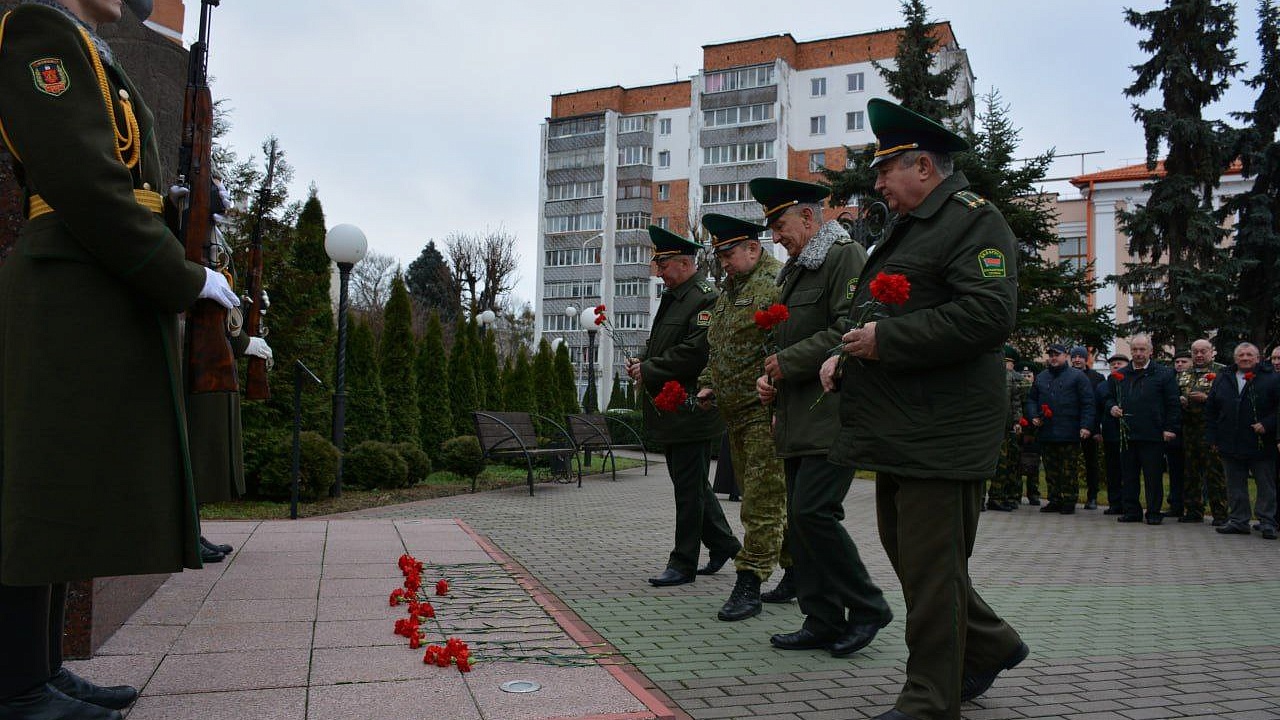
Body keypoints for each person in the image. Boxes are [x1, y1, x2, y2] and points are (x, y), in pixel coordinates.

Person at [0, 1, 241, 718]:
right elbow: (80, 180)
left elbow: (119, 177)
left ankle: (40, 668)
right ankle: (15, 687)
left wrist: (181, 214)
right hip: (65, 284)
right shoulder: (38, 31)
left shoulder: (87, 46)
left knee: (62, 486)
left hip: (88, 285)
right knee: (36, 492)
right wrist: (178, 273)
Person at [822, 98, 1027, 720]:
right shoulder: (911, 227)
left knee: (933, 570)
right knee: (916, 560)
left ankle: (929, 698)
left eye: (885, 171)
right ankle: (991, 643)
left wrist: (886, 342)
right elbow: (885, 314)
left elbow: (990, 314)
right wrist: (847, 354)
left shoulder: (972, 220)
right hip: (902, 427)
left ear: (922, 167)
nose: (878, 183)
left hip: (944, 428)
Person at [749, 176, 892, 658]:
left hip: (831, 412)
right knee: (803, 520)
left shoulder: (843, 257)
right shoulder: (794, 271)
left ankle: (867, 606)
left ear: (809, 217)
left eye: (780, 224)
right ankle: (822, 617)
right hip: (796, 416)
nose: (775, 237)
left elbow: (846, 328)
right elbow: (786, 339)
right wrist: (772, 377)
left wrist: (786, 364)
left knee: (814, 513)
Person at [628, 226, 740, 587]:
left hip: (694, 409)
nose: (658, 271)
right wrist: (643, 360)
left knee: (688, 491)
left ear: (684, 262)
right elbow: (663, 342)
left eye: (662, 263)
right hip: (673, 410)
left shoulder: (704, 297)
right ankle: (724, 544)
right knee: (692, 485)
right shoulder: (676, 295)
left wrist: (650, 368)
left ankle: (683, 564)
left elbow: (695, 353)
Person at [694, 213, 788, 622]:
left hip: (764, 412)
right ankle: (797, 569)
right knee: (764, 499)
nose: (723, 263)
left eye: (728, 254)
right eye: (719, 256)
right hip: (734, 414)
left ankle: (749, 581)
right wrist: (708, 382)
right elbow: (718, 347)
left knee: (761, 503)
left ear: (753, 248)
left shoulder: (778, 283)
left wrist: (779, 400)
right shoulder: (729, 291)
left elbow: (787, 345)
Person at [1101, 336, 1180, 524]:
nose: (1138, 353)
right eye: (1135, 349)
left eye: (1142, 350)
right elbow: (1107, 398)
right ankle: (1131, 511)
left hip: (1153, 433)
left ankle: (1153, 512)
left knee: (1153, 476)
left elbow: (1172, 403)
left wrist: (1170, 428)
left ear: (1150, 351)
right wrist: (1111, 407)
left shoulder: (1164, 374)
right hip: (1127, 434)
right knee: (1128, 475)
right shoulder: (1120, 375)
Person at [1205, 343, 1278, 539]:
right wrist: (1212, 437)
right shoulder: (1223, 377)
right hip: (1229, 441)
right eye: (1241, 355)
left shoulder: (1271, 377)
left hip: (1260, 442)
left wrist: (1267, 424)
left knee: (1265, 484)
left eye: (1249, 355)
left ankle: (1267, 522)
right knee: (1235, 484)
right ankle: (1238, 520)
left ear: (1258, 357)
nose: (1245, 358)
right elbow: (1211, 408)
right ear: (1235, 358)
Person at [1026, 344, 1095, 514]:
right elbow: (1031, 399)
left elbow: (1088, 403)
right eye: (1050, 355)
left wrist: (1086, 425)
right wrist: (1033, 415)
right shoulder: (1042, 377)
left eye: (1057, 354)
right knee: (1051, 469)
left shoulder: (1077, 377)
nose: (1053, 358)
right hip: (1047, 430)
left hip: (1069, 431)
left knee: (1068, 469)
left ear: (1066, 356)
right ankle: (1054, 499)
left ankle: (1069, 499)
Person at [1178, 338, 1227, 524]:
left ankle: (1221, 514)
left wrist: (1207, 399)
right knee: (1190, 472)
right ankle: (1193, 511)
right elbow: (1176, 392)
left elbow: (1228, 400)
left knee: (1215, 473)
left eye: (1203, 351)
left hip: (1211, 430)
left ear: (1212, 352)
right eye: (1195, 351)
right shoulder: (1184, 373)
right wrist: (1180, 400)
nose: (1199, 355)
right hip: (1189, 430)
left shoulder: (1222, 372)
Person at [985, 346, 1025, 511]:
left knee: (1004, 464)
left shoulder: (1010, 378)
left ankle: (997, 497)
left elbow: (1016, 401)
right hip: (988, 426)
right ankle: (981, 499)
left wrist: (1017, 421)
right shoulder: (986, 375)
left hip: (1005, 427)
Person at [1070, 346, 1106, 509]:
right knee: (1070, 463)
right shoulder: (1066, 375)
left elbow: (1099, 405)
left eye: (1080, 357)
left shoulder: (1097, 378)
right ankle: (1070, 495)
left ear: (1086, 359)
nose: (1077, 359)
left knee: (1091, 463)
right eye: (1074, 357)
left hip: (1090, 427)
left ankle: (1092, 496)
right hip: (1070, 426)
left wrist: (1097, 430)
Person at [1164, 349, 1193, 516]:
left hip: (1195, 432)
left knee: (1192, 473)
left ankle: (1193, 507)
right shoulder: (1169, 379)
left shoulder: (1198, 378)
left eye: (1184, 361)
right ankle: (1175, 505)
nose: (1180, 365)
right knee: (1175, 471)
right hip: (1175, 433)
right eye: (1177, 362)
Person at [1100, 353, 1130, 514]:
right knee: (1112, 471)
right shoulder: (1104, 385)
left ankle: (1128, 502)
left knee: (1128, 471)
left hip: (1129, 435)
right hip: (1111, 434)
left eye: (1120, 363)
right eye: (1113, 364)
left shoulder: (1131, 382)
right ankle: (1115, 503)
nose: (1116, 366)